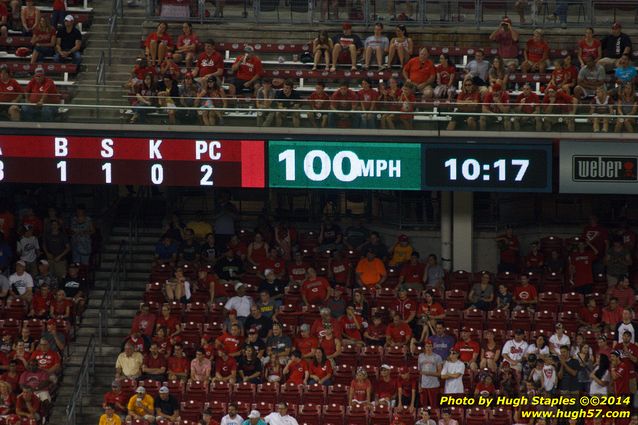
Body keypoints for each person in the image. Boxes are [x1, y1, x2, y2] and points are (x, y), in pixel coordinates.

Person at [418, 340, 443, 408]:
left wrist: (427, 373)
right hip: (424, 385)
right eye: (427, 346)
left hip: (434, 385)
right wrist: (419, 385)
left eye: (430, 346)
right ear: (424, 347)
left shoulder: (437, 357)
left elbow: (439, 373)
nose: (428, 348)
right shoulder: (420, 356)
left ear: (433, 347)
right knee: (423, 405)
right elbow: (419, 372)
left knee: (434, 405)